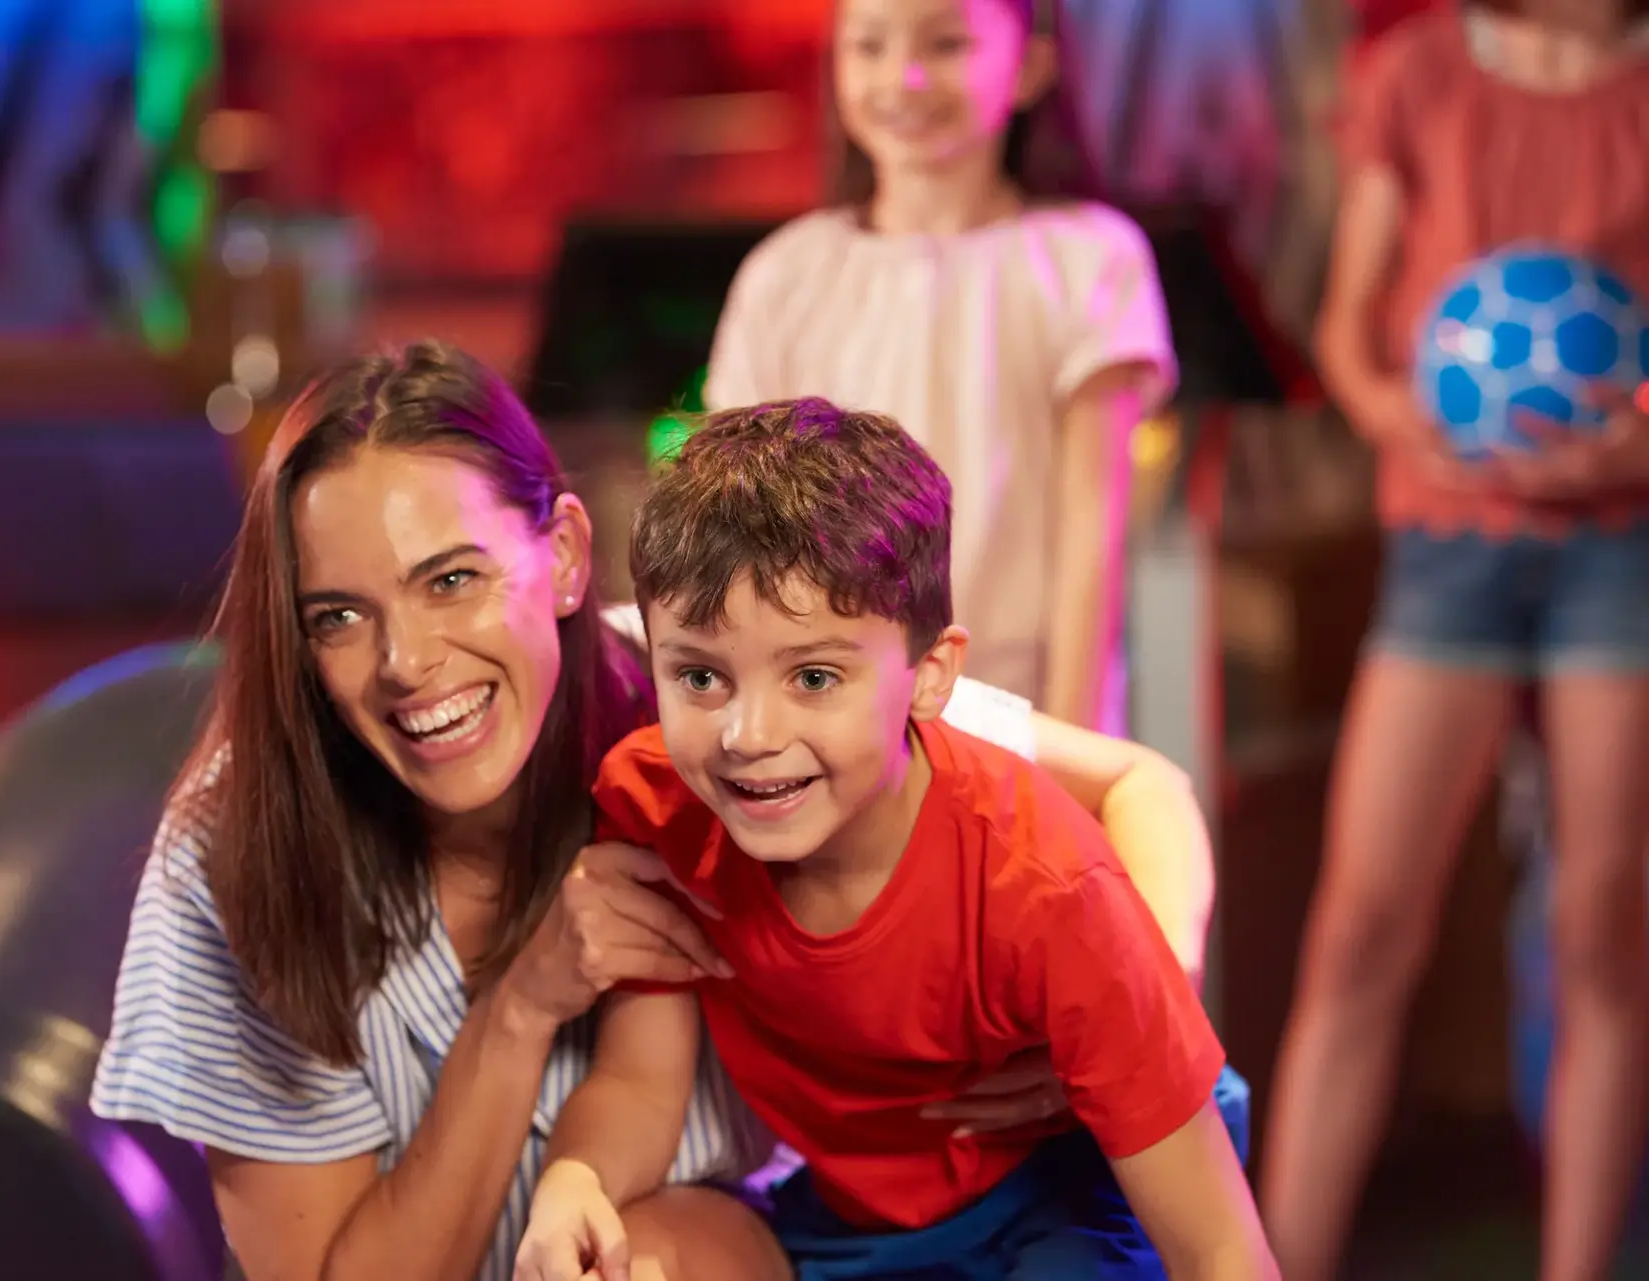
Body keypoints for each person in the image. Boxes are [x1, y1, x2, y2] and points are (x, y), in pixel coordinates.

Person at [88, 343, 1221, 1281]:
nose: (408, 664)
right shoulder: (236, 845)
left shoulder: (720, 690)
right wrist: (523, 1006)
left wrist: (1130, 1003)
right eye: (338, 615)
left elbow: (1139, 787)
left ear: (567, 557)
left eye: (453, 579)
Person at [514, 399, 1269, 1281]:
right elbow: (642, 1082)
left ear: (931, 677)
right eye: (702, 676)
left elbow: (1221, 1248)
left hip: (1068, 1186)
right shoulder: (662, 806)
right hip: (859, 1216)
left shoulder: (1046, 887)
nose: (747, 733)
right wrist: (572, 1180)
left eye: (814, 675)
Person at [1258, 6, 1649, 1281]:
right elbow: (1349, 325)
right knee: (1364, 927)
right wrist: (1396, 420)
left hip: (1621, 548)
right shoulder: (1417, 71)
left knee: (1603, 928)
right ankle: (1275, 1260)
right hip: (1449, 547)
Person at [702, 0, 1175, 730]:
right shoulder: (784, 275)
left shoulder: (1089, 260)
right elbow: (739, 527)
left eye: (947, 43)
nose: (906, 78)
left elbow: (1093, 537)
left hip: (1020, 714)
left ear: (1031, 65)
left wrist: (1071, 752)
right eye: (869, 46)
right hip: (829, 727)